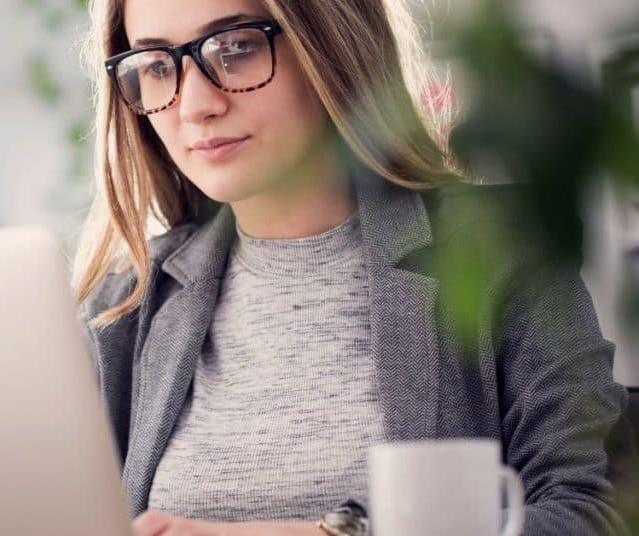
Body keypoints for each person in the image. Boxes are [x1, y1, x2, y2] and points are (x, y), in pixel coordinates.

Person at [72, 0, 630, 534]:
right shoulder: (128, 302)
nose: (194, 105)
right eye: (154, 65)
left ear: (329, 44)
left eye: (236, 47)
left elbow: (591, 512)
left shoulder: (499, 254)